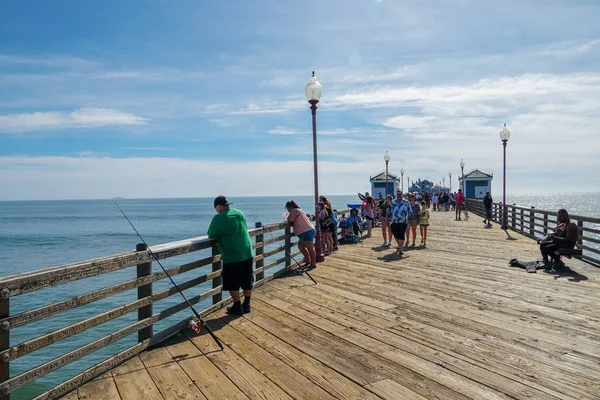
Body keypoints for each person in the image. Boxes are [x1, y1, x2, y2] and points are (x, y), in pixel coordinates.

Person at [208, 196, 255, 315]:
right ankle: (247, 304)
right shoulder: (239, 213)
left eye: (215, 208)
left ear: (218, 207)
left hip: (232, 255)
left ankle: (237, 306)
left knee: (232, 282)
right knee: (247, 279)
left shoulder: (218, 218)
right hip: (247, 251)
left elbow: (211, 234)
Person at [285, 200, 317, 270]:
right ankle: (308, 261)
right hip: (306, 231)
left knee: (310, 248)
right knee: (301, 246)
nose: (288, 210)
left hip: (306, 232)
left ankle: (313, 264)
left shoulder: (295, 210)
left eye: (288, 209)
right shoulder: (299, 210)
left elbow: (290, 219)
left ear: (291, 207)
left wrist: (287, 216)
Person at [387, 191, 412, 255]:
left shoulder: (406, 202)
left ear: (402, 195)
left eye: (400, 194)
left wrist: (410, 221)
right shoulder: (392, 202)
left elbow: (410, 212)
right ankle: (399, 245)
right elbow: (388, 210)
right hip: (394, 221)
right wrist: (387, 219)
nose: (399, 195)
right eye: (397, 194)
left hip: (403, 221)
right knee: (395, 234)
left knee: (401, 234)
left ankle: (400, 249)